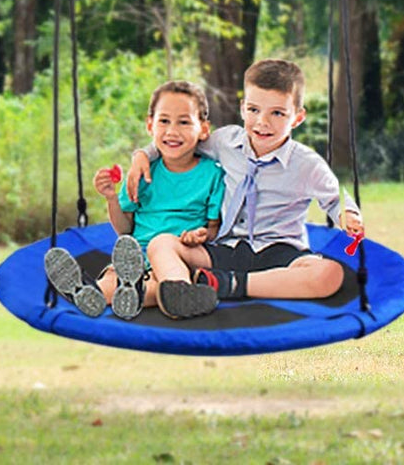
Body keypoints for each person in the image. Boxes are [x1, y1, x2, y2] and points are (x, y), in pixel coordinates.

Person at [127, 58, 365, 319]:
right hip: (225, 247)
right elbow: (182, 142)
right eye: (253, 110)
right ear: (242, 108)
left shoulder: (306, 164)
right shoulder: (225, 141)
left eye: (277, 113)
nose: (262, 122)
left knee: (329, 274)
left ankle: (225, 285)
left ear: (297, 117)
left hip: (279, 251)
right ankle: (182, 293)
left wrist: (348, 215)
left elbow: (335, 198)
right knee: (161, 244)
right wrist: (142, 154)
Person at [44, 80, 226, 319]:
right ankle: (89, 292)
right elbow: (124, 228)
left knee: (161, 284)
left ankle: (131, 293)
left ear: (203, 129)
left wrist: (199, 235)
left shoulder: (212, 175)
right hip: (134, 256)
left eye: (183, 122)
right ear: (150, 125)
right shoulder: (142, 172)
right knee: (114, 278)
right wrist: (111, 199)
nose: (172, 131)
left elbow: (212, 229)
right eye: (164, 121)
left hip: (176, 256)